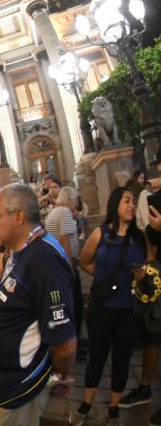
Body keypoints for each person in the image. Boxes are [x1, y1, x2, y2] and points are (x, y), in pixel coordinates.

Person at [0, 184, 76, 425]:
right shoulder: (22, 250)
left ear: (18, 217)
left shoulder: (44, 259)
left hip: (13, 390)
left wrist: (57, 374)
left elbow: (64, 343)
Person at [70, 187, 152, 426]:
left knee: (122, 359)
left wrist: (143, 274)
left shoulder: (140, 236)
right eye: (127, 201)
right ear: (115, 204)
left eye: (133, 201)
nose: (131, 205)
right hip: (102, 309)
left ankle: (113, 408)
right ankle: (86, 404)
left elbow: (149, 264)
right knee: (97, 356)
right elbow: (84, 261)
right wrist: (104, 277)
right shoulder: (101, 233)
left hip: (129, 310)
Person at [120, 153, 161, 422]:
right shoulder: (154, 199)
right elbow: (152, 245)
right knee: (153, 335)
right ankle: (145, 387)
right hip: (158, 275)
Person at [45, 186, 84, 395]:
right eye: (76, 200)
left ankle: (56, 371)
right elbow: (64, 241)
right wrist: (70, 269)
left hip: (54, 269)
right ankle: (63, 371)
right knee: (72, 313)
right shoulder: (65, 213)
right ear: (70, 199)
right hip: (64, 269)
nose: (76, 204)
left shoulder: (53, 212)